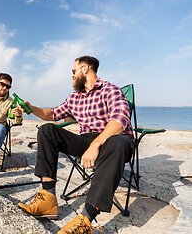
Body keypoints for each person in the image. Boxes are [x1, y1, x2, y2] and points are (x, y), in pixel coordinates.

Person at [17, 56, 134, 233]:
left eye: (73, 71)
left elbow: (119, 121)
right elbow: (53, 113)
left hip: (114, 140)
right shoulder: (75, 97)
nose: (72, 75)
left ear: (85, 69)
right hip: (86, 140)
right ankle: (48, 198)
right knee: (47, 130)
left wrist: (96, 145)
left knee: (117, 142)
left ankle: (85, 220)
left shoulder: (110, 90)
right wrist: (32, 108)